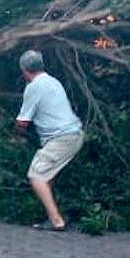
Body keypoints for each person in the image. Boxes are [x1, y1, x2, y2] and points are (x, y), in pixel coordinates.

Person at [14, 49, 84, 232]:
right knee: (47, 176)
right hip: (73, 134)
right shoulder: (53, 81)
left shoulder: (34, 87)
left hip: (62, 138)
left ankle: (56, 220)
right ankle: (52, 215)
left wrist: (16, 134)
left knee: (36, 175)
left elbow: (22, 122)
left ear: (24, 70)